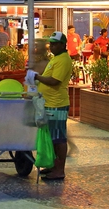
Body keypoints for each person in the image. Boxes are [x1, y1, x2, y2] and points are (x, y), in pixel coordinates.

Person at [28, 32, 74, 181]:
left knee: (59, 138)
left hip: (57, 104)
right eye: (51, 44)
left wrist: (37, 77)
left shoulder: (63, 60)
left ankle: (59, 170)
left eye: (55, 44)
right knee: (53, 137)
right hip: (50, 103)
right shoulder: (57, 59)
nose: (52, 46)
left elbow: (55, 81)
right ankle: (54, 165)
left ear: (62, 45)